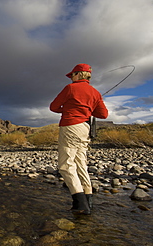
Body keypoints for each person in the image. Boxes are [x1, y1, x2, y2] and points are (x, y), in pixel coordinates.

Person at [50, 63, 108, 215]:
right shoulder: (95, 93)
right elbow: (103, 115)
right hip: (85, 129)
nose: (71, 78)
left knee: (65, 166)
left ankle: (80, 203)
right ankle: (88, 199)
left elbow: (53, 107)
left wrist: (68, 108)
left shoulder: (70, 88)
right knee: (80, 163)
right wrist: (88, 108)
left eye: (72, 75)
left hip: (70, 127)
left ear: (78, 74)